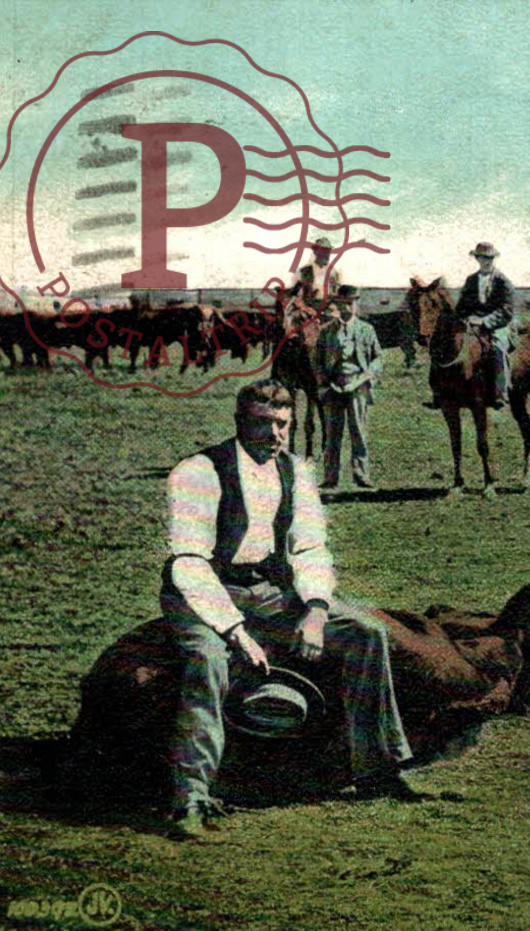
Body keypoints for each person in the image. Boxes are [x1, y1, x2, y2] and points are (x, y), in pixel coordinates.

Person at [162, 380, 420, 839]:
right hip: (204, 591)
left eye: (282, 424)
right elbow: (189, 563)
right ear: (240, 423)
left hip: (268, 590)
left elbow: (310, 547)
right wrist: (237, 633)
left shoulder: (295, 471)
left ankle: (378, 770)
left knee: (366, 634)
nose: (274, 434)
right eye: (263, 423)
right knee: (206, 661)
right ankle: (193, 796)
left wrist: (317, 610)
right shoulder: (198, 471)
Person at [317, 285, 384, 490]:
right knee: (332, 435)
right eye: (346, 302)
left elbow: (378, 359)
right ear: (337, 305)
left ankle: (362, 476)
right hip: (334, 388)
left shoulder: (366, 329)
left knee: (359, 433)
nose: (350, 306)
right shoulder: (327, 331)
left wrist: (364, 379)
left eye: (353, 302)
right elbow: (317, 361)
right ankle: (330, 478)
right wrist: (324, 384)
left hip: (358, 387)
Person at [438, 241, 514, 410]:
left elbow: (507, 310)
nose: (486, 261)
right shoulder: (471, 280)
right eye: (482, 257)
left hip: (498, 324)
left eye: (489, 258)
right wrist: (464, 317)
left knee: (497, 348)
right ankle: (445, 392)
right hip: (473, 323)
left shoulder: (503, 281)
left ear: (494, 259)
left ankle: (501, 392)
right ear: (477, 258)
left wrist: (485, 321)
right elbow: (463, 305)